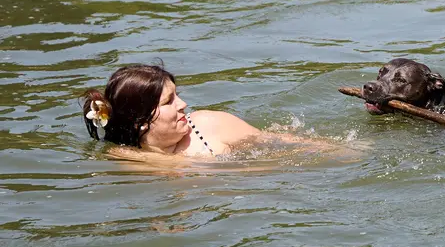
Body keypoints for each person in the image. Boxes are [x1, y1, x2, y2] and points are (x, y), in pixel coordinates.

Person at [82, 63, 352, 162]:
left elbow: (286, 143)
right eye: (169, 101)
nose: (183, 104)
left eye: (177, 95)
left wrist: (348, 154)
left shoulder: (211, 124)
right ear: (141, 121)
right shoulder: (123, 159)